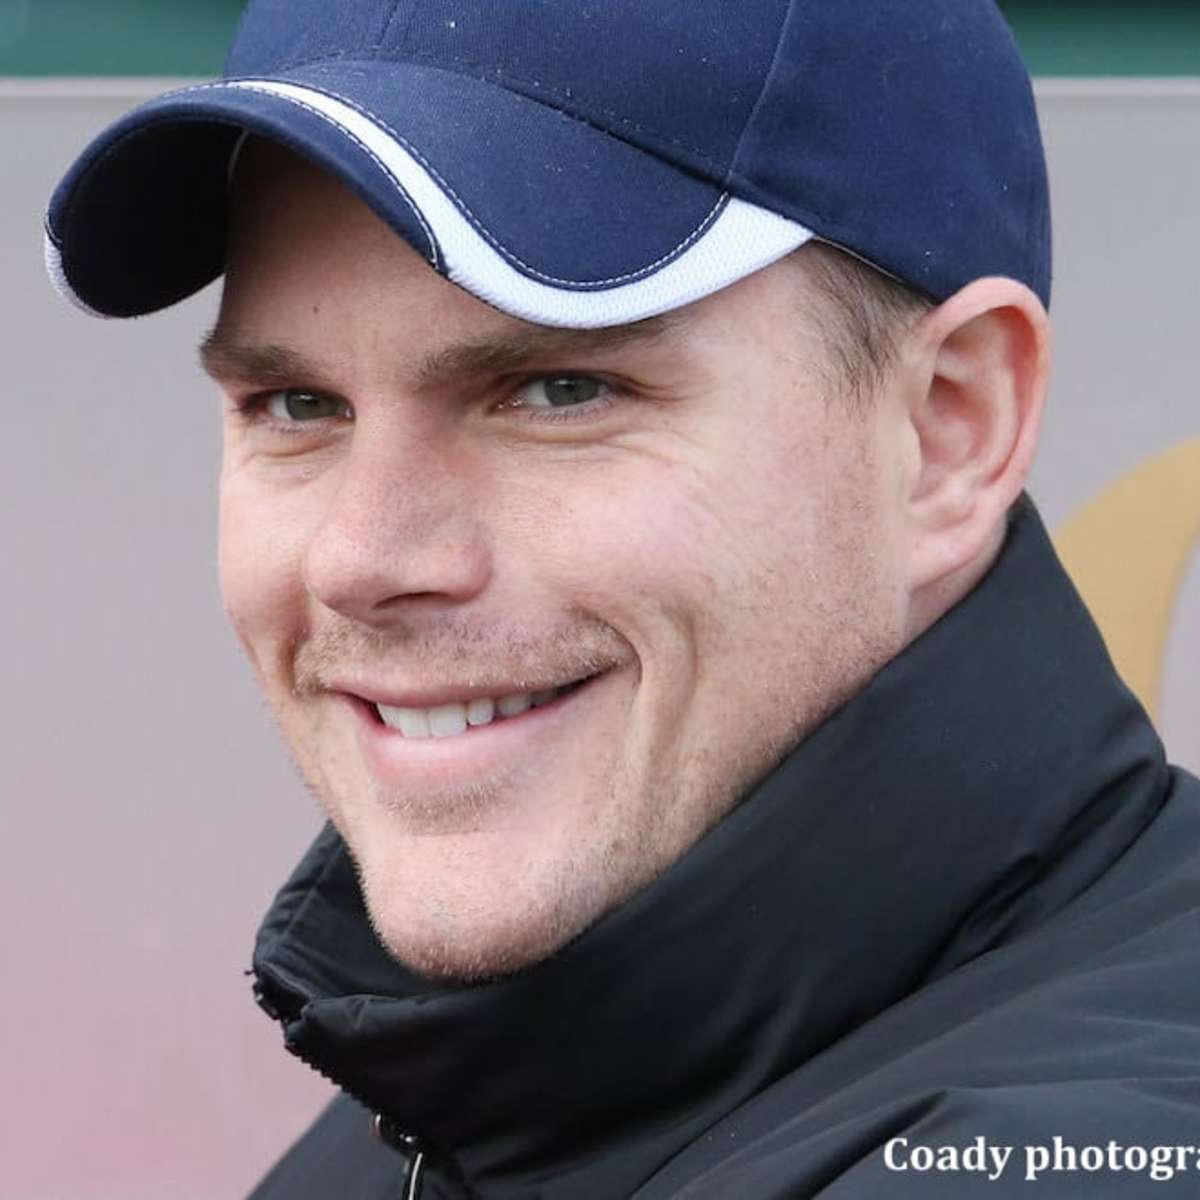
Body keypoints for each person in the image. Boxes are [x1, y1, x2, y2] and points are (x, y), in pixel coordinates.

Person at [45, 2, 1200, 1197]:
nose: (359, 560)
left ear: (951, 428)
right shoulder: (485, 1088)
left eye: (560, 390)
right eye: (296, 407)